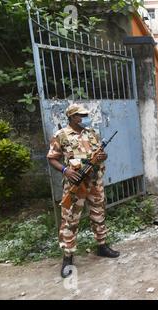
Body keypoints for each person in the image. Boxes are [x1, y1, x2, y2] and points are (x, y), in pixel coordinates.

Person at [47, 103, 120, 278]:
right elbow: (52, 158)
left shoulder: (91, 134)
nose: (83, 118)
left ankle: (102, 246)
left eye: (83, 115)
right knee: (70, 219)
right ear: (71, 117)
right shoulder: (61, 135)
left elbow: (99, 155)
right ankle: (68, 257)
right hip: (76, 186)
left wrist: (103, 156)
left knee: (98, 214)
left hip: (95, 183)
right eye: (80, 115)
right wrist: (66, 170)